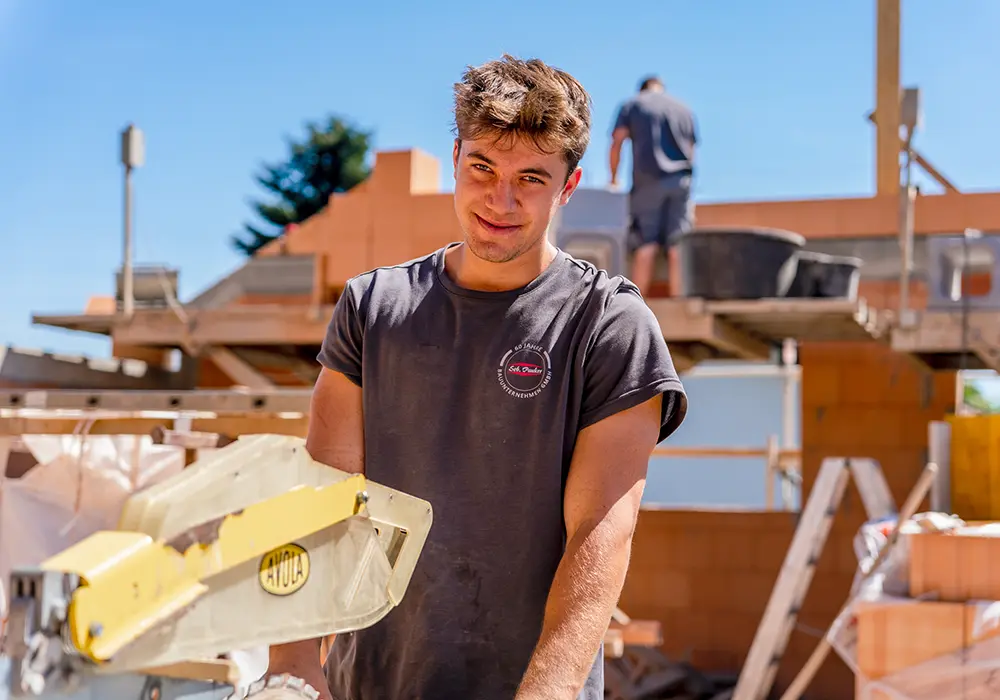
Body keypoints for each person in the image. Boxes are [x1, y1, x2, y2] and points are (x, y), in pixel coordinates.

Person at [266, 54, 688, 700]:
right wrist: (294, 664)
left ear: (568, 187)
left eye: (531, 178)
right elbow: (322, 500)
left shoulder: (609, 324)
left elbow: (600, 537)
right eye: (483, 168)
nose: (501, 199)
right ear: (457, 156)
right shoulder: (373, 309)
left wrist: (547, 691)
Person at [609, 75, 698, 297]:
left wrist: (613, 178)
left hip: (648, 180)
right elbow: (692, 149)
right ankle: (680, 303)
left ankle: (637, 308)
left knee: (646, 244)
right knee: (677, 245)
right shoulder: (684, 109)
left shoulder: (634, 104)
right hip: (681, 180)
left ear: (642, 89)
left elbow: (617, 140)